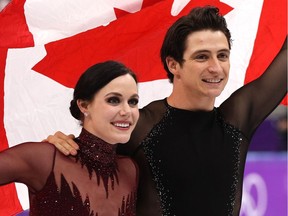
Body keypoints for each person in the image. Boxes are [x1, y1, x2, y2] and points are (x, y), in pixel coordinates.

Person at [46, 6, 287, 216]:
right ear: (173, 65)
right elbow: (71, 165)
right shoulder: (139, 125)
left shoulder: (237, 120)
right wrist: (58, 147)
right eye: (202, 57)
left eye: (222, 56)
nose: (216, 68)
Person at [0, 60, 140, 216]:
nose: (127, 111)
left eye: (133, 102)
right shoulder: (45, 158)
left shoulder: (130, 169)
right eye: (113, 100)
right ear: (84, 106)